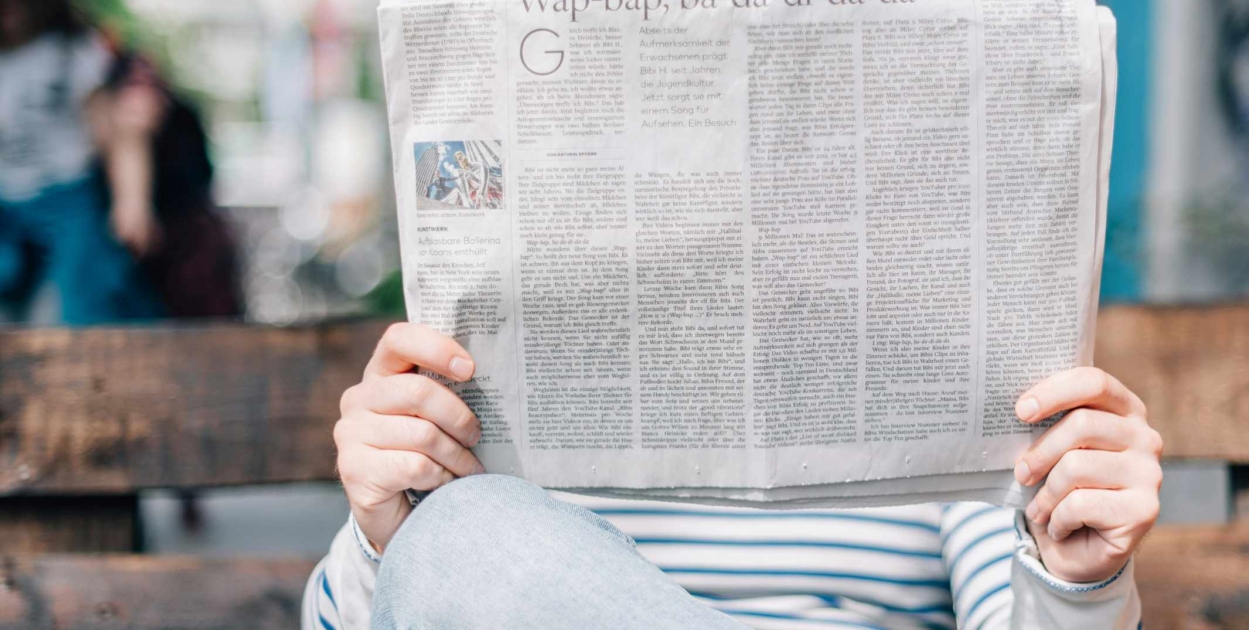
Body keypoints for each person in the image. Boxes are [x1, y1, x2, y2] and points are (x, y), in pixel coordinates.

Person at [303, 324, 1162, 629]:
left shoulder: (958, 370)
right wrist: (387, 532)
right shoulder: (474, 385)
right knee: (468, 545)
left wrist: (1076, 579)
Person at [0, 0, 164, 324]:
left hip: (67, 193)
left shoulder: (73, 51)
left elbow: (119, 133)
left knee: (83, 289)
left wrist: (132, 201)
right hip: (6, 199)